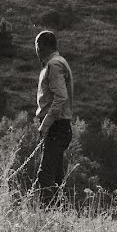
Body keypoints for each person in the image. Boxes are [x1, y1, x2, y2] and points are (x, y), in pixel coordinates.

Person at [33, 30, 74, 207]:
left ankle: (46, 216)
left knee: (45, 176)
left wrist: (44, 125)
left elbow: (60, 97)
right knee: (56, 177)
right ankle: (61, 214)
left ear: (40, 47)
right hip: (60, 127)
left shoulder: (54, 65)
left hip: (56, 127)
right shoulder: (58, 63)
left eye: (36, 47)